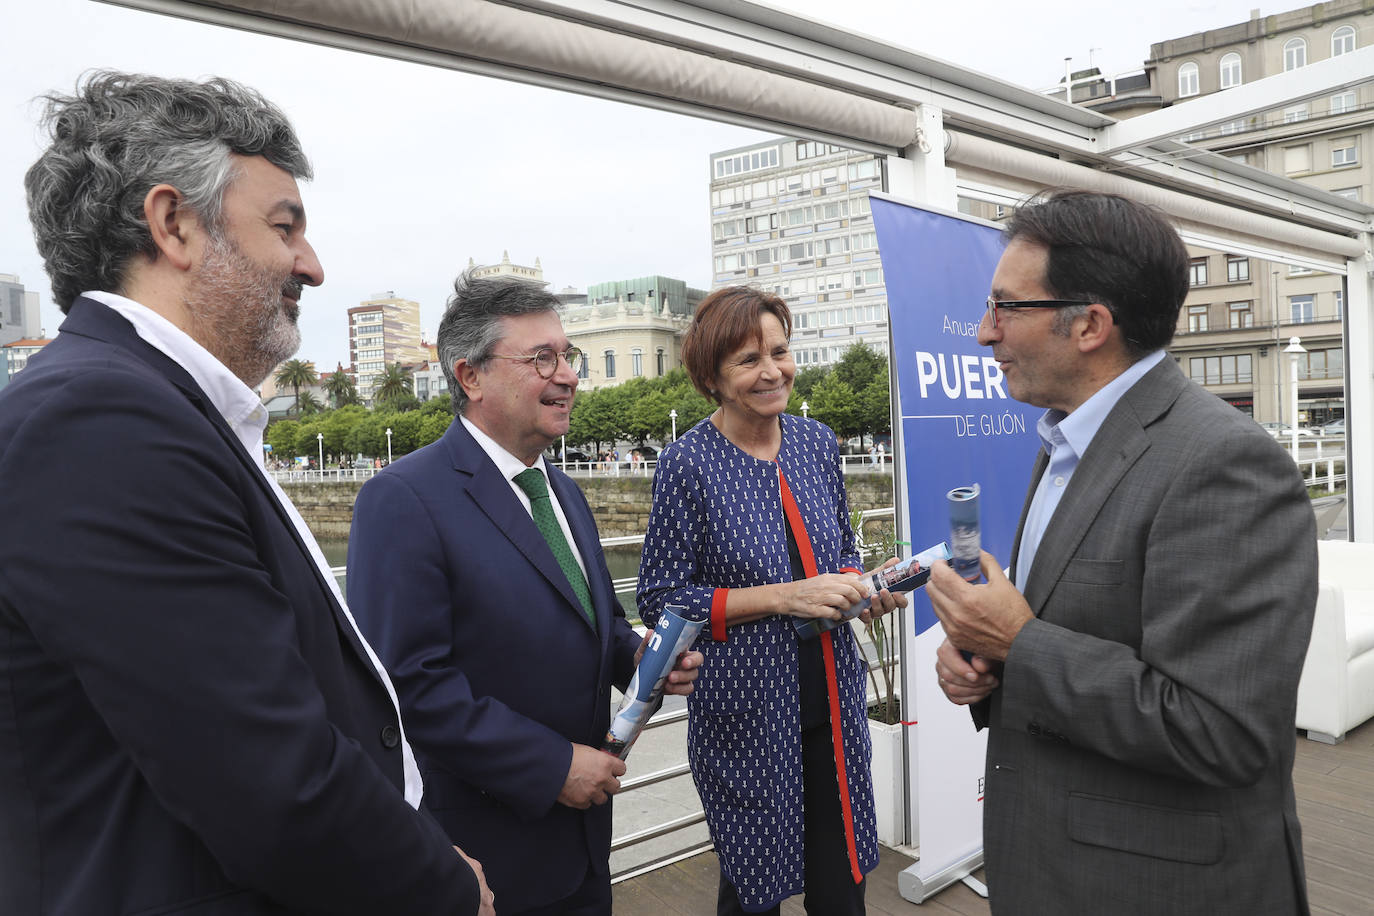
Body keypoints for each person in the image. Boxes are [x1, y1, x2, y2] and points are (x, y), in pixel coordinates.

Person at [0, 72, 490, 915]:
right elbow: (265, 774)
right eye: (284, 226)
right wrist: (441, 885)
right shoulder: (101, 420)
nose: (313, 264)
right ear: (173, 224)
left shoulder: (157, 408)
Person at [925, 189, 1317, 915]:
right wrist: (989, 668)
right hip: (1050, 866)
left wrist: (1020, 642)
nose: (984, 332)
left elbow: (1222, 732)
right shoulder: (1063, 442)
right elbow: (1073, 636)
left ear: (1091, 326)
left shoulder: (1225, 465)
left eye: (1006, 307)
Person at [348, 270, 702, 915]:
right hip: (485, 856)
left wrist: (642, 657)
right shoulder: (402, 500)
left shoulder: (563, 490)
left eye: (568, 356)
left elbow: (598, 620)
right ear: (470, 376)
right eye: (542, 358)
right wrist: (551, 766)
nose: (567, 375)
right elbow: (410, 685)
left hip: (585, 841)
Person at [637, 286, 907, 915]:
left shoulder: (817, 443)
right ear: (712, 376)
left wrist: (864, 588)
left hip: (833, 699)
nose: (772, 372)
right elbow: (663, 599)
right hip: (745, 710)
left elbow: (837, 554)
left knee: (842, 887)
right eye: (747, 360)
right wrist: (786, 597)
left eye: (780, 352)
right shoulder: (687, 463)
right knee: (752, 886)